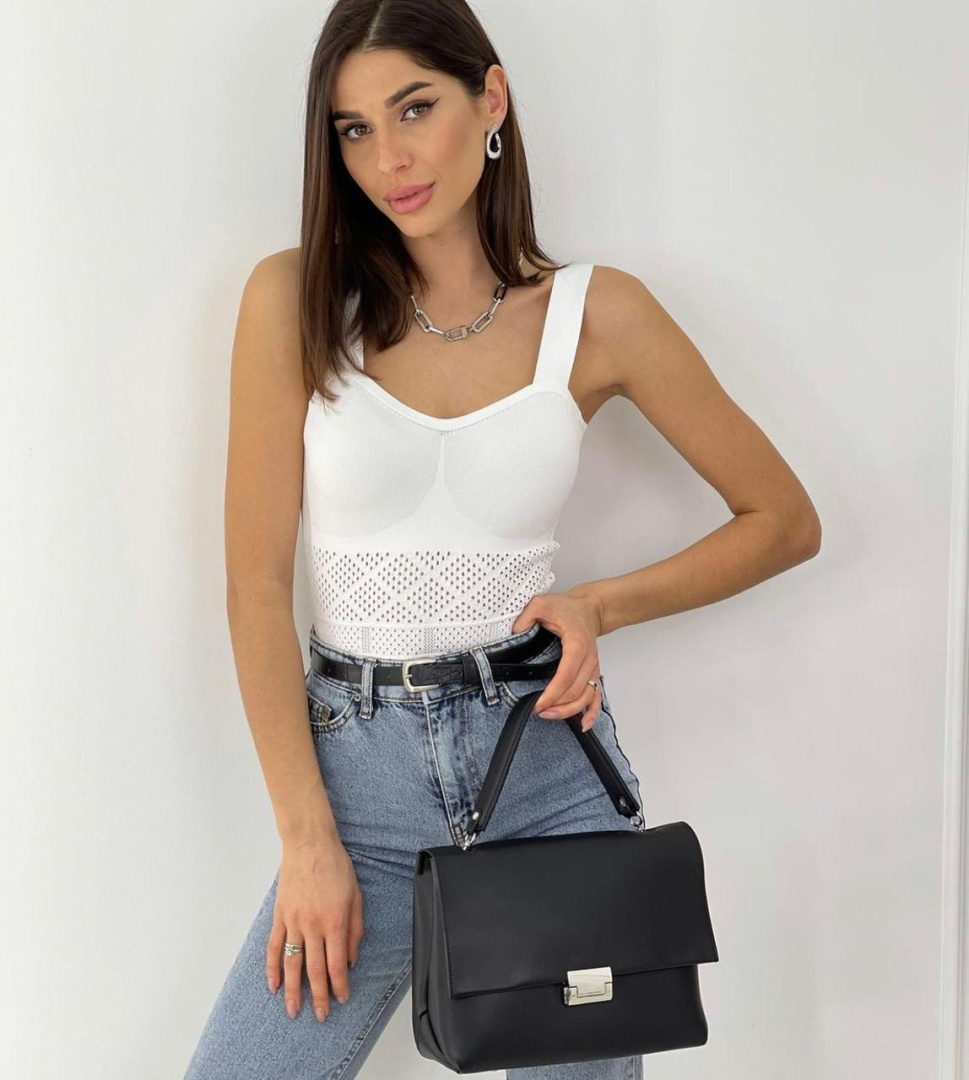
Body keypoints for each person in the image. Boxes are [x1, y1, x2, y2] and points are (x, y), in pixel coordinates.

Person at [183, 1, 822, 1076]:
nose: (388, 159)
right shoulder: (294, 299)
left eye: (413, 108)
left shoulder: (597, 314)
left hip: (546, 770)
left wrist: (598, 604)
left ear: (491, 99)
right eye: (353, 130)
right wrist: (306, 837)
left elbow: (783, 520)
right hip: (357, 786)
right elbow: (254, 584)